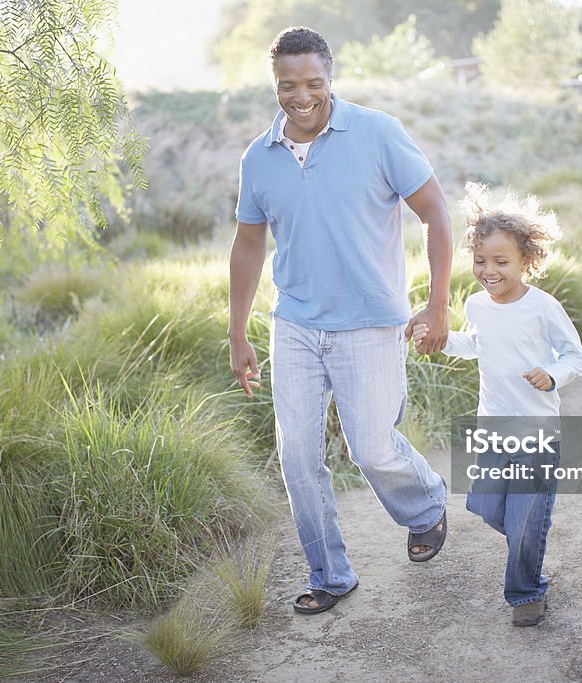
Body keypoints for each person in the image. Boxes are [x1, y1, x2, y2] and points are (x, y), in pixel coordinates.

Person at [228, 26, 451, 615]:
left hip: (371, 323)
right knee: (297, 458)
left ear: (330, 78)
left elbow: (434, 212)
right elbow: (249, 246)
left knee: (371, 449)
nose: (300, 96)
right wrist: (237, 332)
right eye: (287, 86)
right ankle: (330, 574)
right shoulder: (259, 158)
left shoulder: (377, 133)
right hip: (295, 325)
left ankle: (425, 507)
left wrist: (437, 302)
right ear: (274, 85)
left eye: (312, 83)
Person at [413, 182, 582, 626]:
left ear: (527, 261)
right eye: (480, 261)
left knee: (526, 521)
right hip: (492, 430)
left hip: (536, 435)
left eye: (501, 261)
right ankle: (530, 536)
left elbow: (575, 356)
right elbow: (476, 345)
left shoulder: (543, 308)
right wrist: (439, 339)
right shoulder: (477, 303)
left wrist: (552, 376)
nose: (489, 270)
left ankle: (527, 591)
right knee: (488, 508)